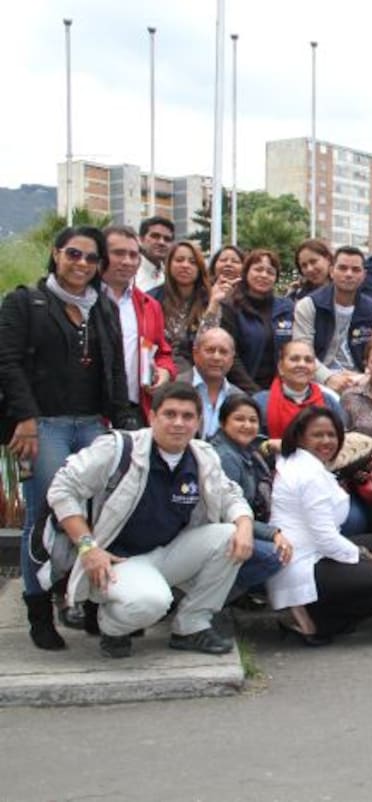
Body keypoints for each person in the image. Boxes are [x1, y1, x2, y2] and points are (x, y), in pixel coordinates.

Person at [0, 225, 140, 650]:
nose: (82, 264)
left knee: (98, 517)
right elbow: (7, 362)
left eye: (91, 258)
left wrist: (120, 425)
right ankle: (39, 612)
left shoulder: (102, 307)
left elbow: (114, 367)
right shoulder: (25, 303)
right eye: (74, 255)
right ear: (56, 254)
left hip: (92, 424)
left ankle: (94, 605)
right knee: (45, 519)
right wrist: (24, 418)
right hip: (42, 427)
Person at [46, 382, 254, 658]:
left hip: (168, 553)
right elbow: (61, 489)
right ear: (153, 417)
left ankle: (191, 626)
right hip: (115, 559)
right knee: (153, 602)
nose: (179, 423)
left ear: (198, 421)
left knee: (230, 534)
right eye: (170, 414)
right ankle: (112, 627)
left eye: (188, 416)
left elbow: (230, 496)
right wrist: (88, 547)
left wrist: (245, 525)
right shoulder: (118, 448)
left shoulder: (202, 455)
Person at [267, 407, 372, 645]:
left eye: (331, 435)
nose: (326, 441)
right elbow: (326, 539)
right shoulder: (309, 474)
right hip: (303, 563)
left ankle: (324, 606)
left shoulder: (299, 461)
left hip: (310, 551)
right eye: (318, 435)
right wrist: (361, 556)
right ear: (300, 437)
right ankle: (318, 621)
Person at [208, 395, 292, 596]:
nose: (247, 425)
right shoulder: (225, 457)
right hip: (226, 529)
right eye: (239, 419)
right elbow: (227, 512)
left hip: (253, 522)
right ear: (223, 422)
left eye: (253, 420)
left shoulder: (250, 448)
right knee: (276, 555)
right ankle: (215, 600)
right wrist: (272, 533)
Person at [101, 224, 175, 424]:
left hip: (135, 410)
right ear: (101, 255)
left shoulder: (149, 306)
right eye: (118, 253)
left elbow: (162, 352)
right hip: (92, 414)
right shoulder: (83, 301)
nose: (126, 261)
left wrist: (163, 372)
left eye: (133, 255)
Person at [292, 245, 372, 394]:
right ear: (331, 271)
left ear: (364, 275)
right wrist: (328, 378)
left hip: (361, 381)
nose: (349, 274)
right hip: (316, 381)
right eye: (342, 268)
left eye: (355, 270)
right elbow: (303, 352)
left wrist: (365, 377)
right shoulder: (309, 305)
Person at [220, 248, 294, 394]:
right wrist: (256, 394)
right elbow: (231, 357)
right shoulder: (231, 307)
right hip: (240, 389)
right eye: (258, 269)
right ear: (246, 273)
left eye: (270, 272)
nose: (263, 275)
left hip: (282, 390)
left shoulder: (286, 308)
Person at [149, 241, 225, 374]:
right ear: (169, 264)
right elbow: (146, 343)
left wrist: (213, 306)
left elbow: (207, 345)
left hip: (198, 375)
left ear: (200, 268)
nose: (185, 265)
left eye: (192, 262)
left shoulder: (210, 299)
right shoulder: (151, 299)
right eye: (179, 260)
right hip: (158, 373)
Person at [253, 340, 345, 442]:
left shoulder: (329, 402)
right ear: (280, 367)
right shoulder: (260, 402)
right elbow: (253, 446)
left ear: (315, 368)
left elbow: (342, 439)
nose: (302, 364)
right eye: (294, 359)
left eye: (308, 360)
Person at [185, 328, 244, 439]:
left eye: (223, 352)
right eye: (210, 350)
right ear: (195, 354)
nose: (216, 357)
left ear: (232, 359)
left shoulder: (239, 398)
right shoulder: (175, 386)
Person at [134, 215, 174, 292]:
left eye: (167, 239)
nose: (161, 242)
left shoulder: (171, 276)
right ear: (141, 239)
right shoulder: (130, 274)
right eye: (155, 236)